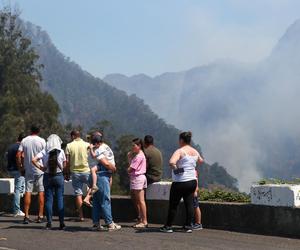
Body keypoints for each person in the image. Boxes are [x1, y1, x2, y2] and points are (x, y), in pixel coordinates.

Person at [160, 131, 204, 233]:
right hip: (192, 181)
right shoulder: (195, 151)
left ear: (181, 140)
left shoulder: (180, 151)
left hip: (180, 182)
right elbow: (201, 160)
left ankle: (168, 226)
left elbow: (171, 162)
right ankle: (188, 226)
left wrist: (178, 170)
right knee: (189, 204)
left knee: (173, 204)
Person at [32, 134, 66, 230]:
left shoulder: (44, 152)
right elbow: (64, 164)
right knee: (60, 199)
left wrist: (42, 168)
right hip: (59, 176)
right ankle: (62, 223)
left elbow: (33, 160)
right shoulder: (61, 152)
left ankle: (49, 222)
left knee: (49, 200)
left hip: (47, 177)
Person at [89, 134, 121, 231]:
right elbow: (106, 163)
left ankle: (96, 223)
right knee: (105, 200)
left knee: (97, 201)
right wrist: (113, 168)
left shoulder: (98, 149)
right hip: (103, 175)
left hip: (98, 174)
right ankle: (110, 223)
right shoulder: (104, 147)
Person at [16, 125, 46, 224]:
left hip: (28, 170)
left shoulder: (24, 140)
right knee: (41, 192)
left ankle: (26, 215)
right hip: (40, 170)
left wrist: (21, 167)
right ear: (39, 131)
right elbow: (45, 155)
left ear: (30, 130)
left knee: (28, 191)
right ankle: (40, 215)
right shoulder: (42, 141)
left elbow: (18, 154)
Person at [65, 130, 90, 221]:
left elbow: (67, 161)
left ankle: (81, 216)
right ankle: (88, 198)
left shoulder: (69, 146)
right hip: (86, 170)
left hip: (75, 172)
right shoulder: (87, 145)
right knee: (93, 187)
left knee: (78, 193)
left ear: (72, 136)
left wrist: (67, 172)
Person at [128, 138, 148, 228]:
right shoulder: (140, 155)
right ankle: (142, 220)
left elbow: (131, 168)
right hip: (140, 178)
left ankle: (144, 221)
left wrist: (128, 168)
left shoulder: (138, 156)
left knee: (140, 201)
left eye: (134, 145)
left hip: (137, 178)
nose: (132, 147)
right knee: (140, 200)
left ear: (139, 146)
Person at [6, 133, 25, 217]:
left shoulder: (11, 146)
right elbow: (21, 157)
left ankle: (17, 207)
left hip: (10, 169)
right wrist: (21, 167)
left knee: (19, 188)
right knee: (18, 189)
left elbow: (6, 156)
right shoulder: (20, 147)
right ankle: (16, 210)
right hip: (18, 170)